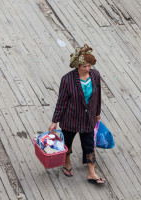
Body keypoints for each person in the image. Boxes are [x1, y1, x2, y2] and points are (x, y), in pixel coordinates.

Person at [48, 44, 106, 184]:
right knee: (67, 143)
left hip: (88, 119)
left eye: (89, 66)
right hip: (71, 119)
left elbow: (97, 96)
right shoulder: (67, 80)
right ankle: (67, 163)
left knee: (89, 145)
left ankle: (91, 173)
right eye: (84, 66)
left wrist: (97, 113)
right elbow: (61, 101)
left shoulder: (95, 75)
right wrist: (55, 121)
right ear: (77, 66)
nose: (88, 69)